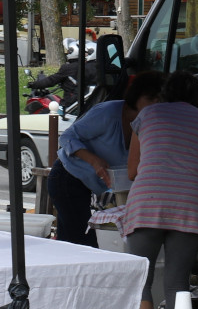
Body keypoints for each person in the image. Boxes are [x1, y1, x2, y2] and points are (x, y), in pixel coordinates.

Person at [122, 71, 198, 309]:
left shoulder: (147, 116)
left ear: (164, 95)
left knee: (140, 281)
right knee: (178, 284)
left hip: (146, 205)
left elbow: (133, 171)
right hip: (190, 209)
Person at [46, 70, 167, 247]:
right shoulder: (108, 112)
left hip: (91, 189)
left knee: (69, 243)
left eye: (160, 101)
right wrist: (93, 160)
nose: (156, 105)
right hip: (66, 177)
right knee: (83, 243)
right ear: (136, 97)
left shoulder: (147, 125)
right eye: (152, 99)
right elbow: (67, 137)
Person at [33, 39, 99, 111]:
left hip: (70, 104)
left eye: (87, 53)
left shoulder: (71, 68)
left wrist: (35, 84)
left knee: (46, 111)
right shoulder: (97, 68)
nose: (85, 54)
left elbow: (52, 80)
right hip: (88, 103)